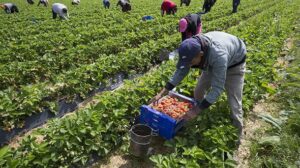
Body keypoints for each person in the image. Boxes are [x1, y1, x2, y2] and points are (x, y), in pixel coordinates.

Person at [150, 31, 247, 145]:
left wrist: (195, 110)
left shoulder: (219, 56)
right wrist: (162, 92)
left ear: (200, 54)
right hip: (211, 60)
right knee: (198, 91)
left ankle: (237, 136)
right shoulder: (191, 49)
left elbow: (217, 88)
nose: (189, 65)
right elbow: (181, 71)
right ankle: (199, 116)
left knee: (234, 102)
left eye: (190, 62)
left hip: (234, 62)